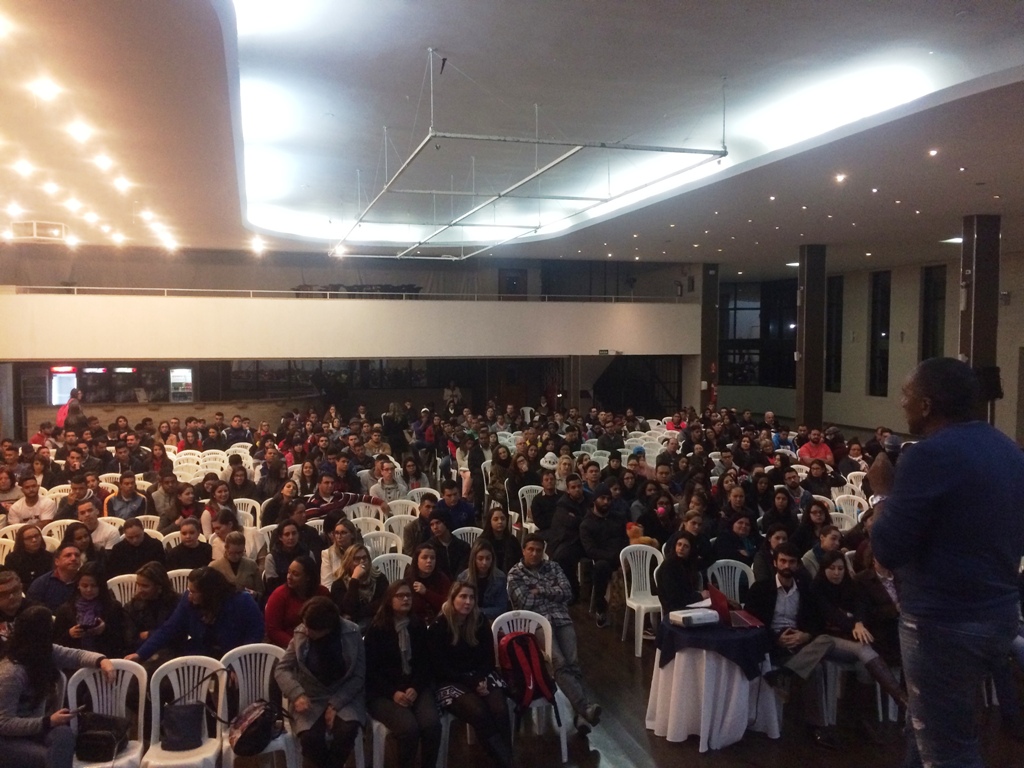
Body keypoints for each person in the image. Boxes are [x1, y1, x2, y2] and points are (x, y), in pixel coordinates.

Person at [870, 358, 1024, 768]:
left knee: (949, 752)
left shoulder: (927, 456)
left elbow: (887, 549)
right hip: (999, 614)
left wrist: (882, 493)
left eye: (907, 394)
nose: (901, 402)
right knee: (924, 733)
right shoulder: (1008, 449)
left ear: (926, 405)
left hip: (942, 624)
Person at [507, 534, 602, 735]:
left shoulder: (553, 567)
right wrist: (551, 591)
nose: (535, 553)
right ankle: (585, 708)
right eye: (530, 549)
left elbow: (568, 592)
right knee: (559, 662)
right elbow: (525, 602)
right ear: (523, 550)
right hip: (536, 624)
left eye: (538, 550)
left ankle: (581, 714)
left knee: (573, 663)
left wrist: (539, 590)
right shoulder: (515, 574)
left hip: (561, 619)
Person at [0, 605, 116, 768]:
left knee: (64, 734)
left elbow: (76, 656)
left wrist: (102, 661)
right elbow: (4, 723)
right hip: (7, 739)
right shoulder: (11, 673)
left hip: (35, 729)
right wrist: (47, 721)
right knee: (47, 757)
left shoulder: (42, 651)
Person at [427, 581, 513, 768]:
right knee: (478, 711)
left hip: (480, 674)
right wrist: (472, 682)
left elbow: (489, 658)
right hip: (450, 680)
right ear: (452, 598)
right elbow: (440, 668)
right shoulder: (439, 626)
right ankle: (505, 763)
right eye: (463, 596)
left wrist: (479, 678)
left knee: (499, 708)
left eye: (472, 597)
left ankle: (506, 759)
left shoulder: (479, 620)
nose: (468, 602)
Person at [274, 597, 366, 768]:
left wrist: (335, 704)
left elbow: (358, 676)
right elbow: (282, 669)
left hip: (344, 694)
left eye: (311, 629)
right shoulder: (302, 633)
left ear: (328, 628)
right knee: (310, 738)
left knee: (346, 731)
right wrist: (297, 694)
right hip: (311, 696)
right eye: (305, 626)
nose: (306, 631)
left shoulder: (352, 632)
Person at [364, 581, 441, 768]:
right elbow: (370, 671)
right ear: (390, 600)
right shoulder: (377, 629)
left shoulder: (417, 625)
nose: (406, 599)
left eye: (408, 595)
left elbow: (426, 663)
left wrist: (415, 687)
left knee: (431, 725)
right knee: (409, 728)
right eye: (400, 596)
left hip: (414, 686)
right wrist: (393, 693)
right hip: (383, 692)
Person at [128, 566, 264, 662]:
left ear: (209, 593)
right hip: (202, 653)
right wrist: (140, 654)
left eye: (194, 592)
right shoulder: (187, 601)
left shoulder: (242, 601)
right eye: (189, 590)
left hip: (235, 654)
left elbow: (255, 633)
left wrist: (237, 664)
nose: (189, 595)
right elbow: (169, 629)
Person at [52, 561, 129, 658]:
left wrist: (105, 630)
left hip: (107, 658)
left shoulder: (113, 608)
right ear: (78, 585)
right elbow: (55, 644)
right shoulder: (66, 610)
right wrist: (69, 634)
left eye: (94, 586)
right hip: (74, 660)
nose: (89, 590)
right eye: (84, 586)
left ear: (101, 586)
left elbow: (124, 641)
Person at [265, 555, 330, 648]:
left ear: (308, 577)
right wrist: (296, 645)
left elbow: (331, 622)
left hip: (320, 644)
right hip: (288, 646)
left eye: (295, 574)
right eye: (288, 572)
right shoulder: (279, 595)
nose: (289, 577)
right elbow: (273, 630)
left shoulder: (322, 593)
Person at [124, 561, 181, 662]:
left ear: (159, 586)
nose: (140, 590)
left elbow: (177, 634)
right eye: (138, 585)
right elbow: (131, 638)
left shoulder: (176, 603)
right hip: (140, 651)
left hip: (172, 654)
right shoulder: (133, 605)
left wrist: (150, 634)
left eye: (145, 586)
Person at [330, 544, 388, 631]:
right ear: (348, 562)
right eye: (357, 559)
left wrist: (357, 613)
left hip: (376, 623)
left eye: (365, 558)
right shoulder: (339, 585)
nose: (362, 562)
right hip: (351, 627)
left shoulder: (380, 579)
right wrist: (354, 579)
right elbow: (348, 609)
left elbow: (382, 604)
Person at [655, 531, 707, 612]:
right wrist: (699, 596)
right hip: (674, 611)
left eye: (686, 546)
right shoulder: (669, 566)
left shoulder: (688, 564)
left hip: (689, 605)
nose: (681, 548)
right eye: (679, 544)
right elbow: (675, 599)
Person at [457, 539, 508, 620]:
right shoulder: (463, 577)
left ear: (492, 559)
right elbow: (459, 604)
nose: (484, 563)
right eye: (480, 559)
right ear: (474, 559)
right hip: (467, 619)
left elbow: (501, 608)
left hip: (491, 620)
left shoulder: (500, 578)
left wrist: (477, 612)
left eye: (488, 558)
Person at [26, 542, 82, 612]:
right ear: (57, 562)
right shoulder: (41, 584)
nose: (74, 558)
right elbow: (33, 609)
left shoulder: (86, 581)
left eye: (77, 555)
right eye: (68, 555)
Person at [209, 530, 264, 600]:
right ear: (226, 548)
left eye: (240, 552)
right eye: (233, 553)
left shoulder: (252, 565)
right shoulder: (214, 567)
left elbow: (261, 592)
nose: (237, 556)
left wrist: (255, 594)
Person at [404, 543, 450, 622]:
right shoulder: (409, 580)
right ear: (417, 561)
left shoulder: (442, 578)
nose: (429, 561)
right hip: (415, 622)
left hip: (440, 621)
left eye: (432, 558)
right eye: (424, 557)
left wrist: (426, 593)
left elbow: (448, 605)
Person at [264, 520, 311, 594]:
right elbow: (272, 586)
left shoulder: (307, 553)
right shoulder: (271, 558)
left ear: (298, 535)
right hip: (281, 595)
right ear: (280, 537)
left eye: (294, 533)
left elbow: (313, 578)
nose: (291, 537)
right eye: (287, 534)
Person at [3, 524, 53, 590]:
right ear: (21, 541)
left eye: (36, 536)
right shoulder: (12, 559)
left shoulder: (49, 556)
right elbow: (12, 583)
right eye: (29, 538)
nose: (34, 540)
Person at [426, 508, 471, 580]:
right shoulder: (429, 547)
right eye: (432, 524)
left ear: (446, 522)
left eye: (438, 523)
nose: (435, 527)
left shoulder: (463, 546)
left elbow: (464, 569)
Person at [320, 519, 362, 591]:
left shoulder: (361, 552)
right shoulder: (327, 554)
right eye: (336, 533)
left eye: (343, 533)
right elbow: (326, 585)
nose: (339, 536)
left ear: (352, 535)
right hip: (337, 593)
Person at [479, 506, 522, 574]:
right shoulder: (482, 541)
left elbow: (519, 561)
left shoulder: (512, 540)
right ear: (490, 522)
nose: (500, 522)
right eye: (495, 519)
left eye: (503, 519)